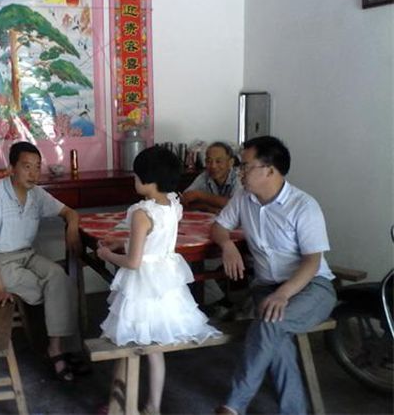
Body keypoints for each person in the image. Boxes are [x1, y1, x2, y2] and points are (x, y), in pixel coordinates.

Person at [211, 136, 336, 415]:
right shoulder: (243, 198)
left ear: (269, 170)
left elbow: (312, 262)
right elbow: (218, 226)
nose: (239, 172)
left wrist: (283, 294)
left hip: (311, 287)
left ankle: (233, 405)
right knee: (275, 336)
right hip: (266, 288)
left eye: (245, 166)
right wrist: (227, 244)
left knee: (269, 323)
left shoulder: (303, 206)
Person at [97, 146, 222, 415]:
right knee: (155, 350)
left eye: (136, 175)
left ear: (148, 180)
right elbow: (155, 242)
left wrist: (107, 254)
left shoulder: (141, 213)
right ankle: (152, 406)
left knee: (127, 343)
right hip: (166, 286)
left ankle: (121, 406)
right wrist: (122, 242)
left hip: (141, 287)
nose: (134, 180)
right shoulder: (173, 205)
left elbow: (134, 262)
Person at [0, 141, 84, 382]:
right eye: (26, 167)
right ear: (11, 168)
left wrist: (72, 226)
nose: (33, 173)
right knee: (48, 289)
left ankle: (60, 347)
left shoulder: (37, 194)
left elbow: (69, 212)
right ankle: (57, 350)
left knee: (59, 278)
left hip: (26, 255)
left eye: (37, 167)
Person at [181, 141, 241, 214]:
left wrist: (200, 195)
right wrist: (207, 208)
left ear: (231, 163)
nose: (213, 166)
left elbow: (236, 205)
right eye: (209, 161)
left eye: (218, 161)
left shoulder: (238, 178)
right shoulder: (205, 176)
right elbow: (185, 199)